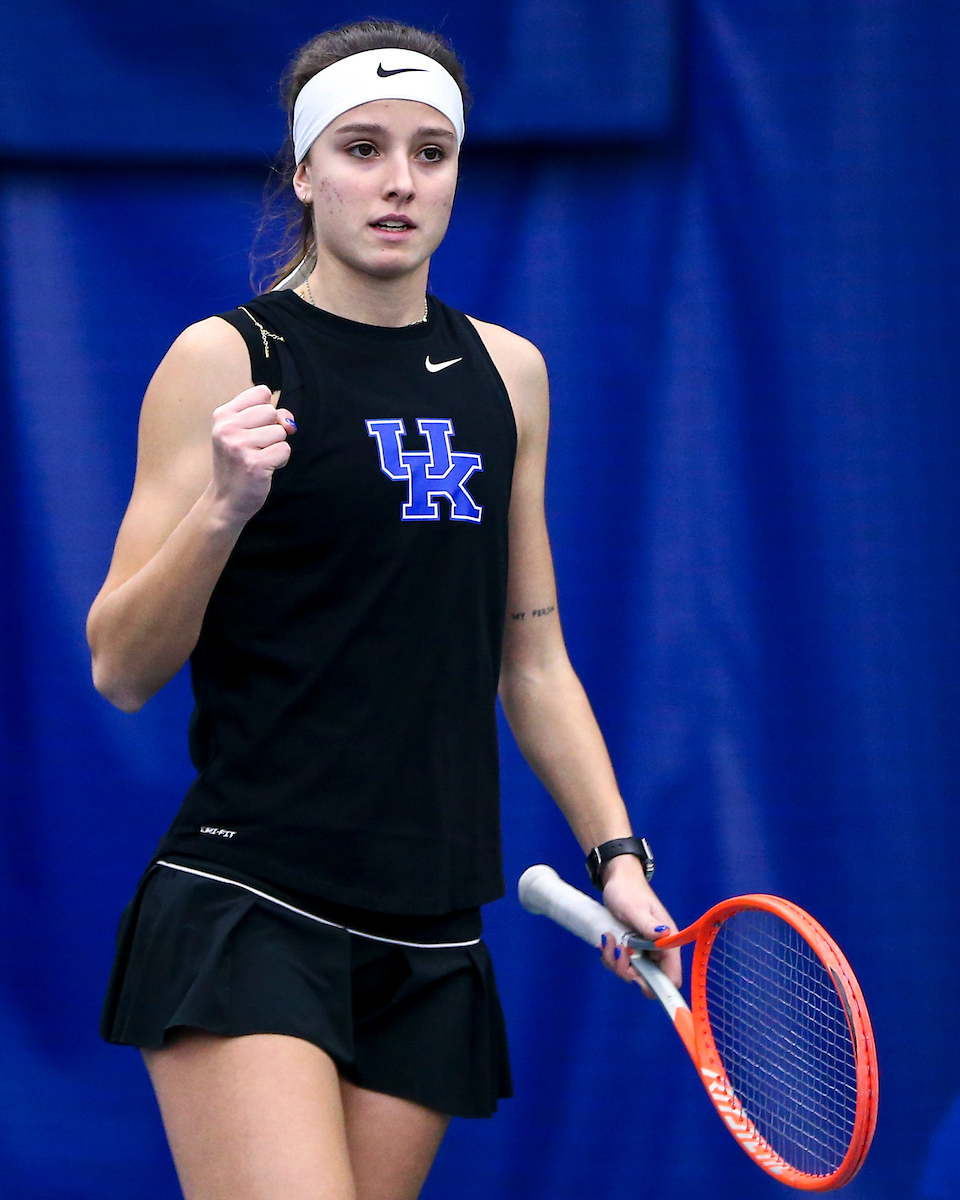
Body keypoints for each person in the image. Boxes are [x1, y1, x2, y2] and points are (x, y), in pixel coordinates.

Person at [86, 19, 682, 1200]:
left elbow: (532, 655)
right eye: (362, 149)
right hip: (251, 899)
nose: (400, 181)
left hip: (431, 925)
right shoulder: (226, 359)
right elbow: (121, 666)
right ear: (306, 173)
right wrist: (223, 508)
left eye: (430, 151)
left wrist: (617, 857)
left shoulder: (510, 375)